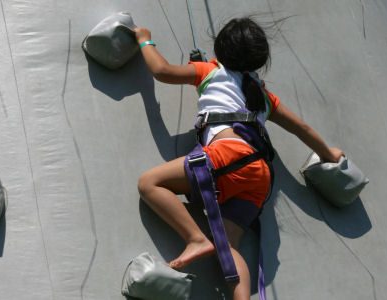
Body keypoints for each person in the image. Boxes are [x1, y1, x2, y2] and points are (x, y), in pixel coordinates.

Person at [135, 17, 343, 300]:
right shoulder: (263, 96)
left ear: (221, 49)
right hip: (259, 175)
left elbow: (161, 70)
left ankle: (195, 239)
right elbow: (301, 128)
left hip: (227, 155)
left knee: (150, 183)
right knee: (229, 247)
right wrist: (329, 154)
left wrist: (144, 39)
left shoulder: (211, 70)